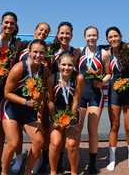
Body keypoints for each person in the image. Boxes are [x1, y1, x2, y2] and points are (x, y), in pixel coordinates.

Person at [0, 11, 27, 174]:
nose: (8, 25)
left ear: (16, 26)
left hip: (6, 91)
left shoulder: (18, 44)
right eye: (6, 22)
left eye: (12, 23)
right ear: (2, 23)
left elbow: (37, 46)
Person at [0, 39, 52, 175]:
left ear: (45, 54)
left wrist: (39, 118)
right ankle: (3, 172)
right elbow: (7, 93)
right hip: (11, 108)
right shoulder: (19, 68)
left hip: (29, 111)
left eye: (41, 53)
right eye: (35, 52)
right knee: (13, 142)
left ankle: (27, 172)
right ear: (29, 52)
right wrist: (25, 102)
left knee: (39, 141)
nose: (38, 55)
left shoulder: (44, 70)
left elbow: (41, 97)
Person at [12, 22, 51, 174]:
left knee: (39, 133)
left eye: (46, 31)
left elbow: (46, 77)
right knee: (15, 135)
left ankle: (37, 159)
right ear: (35, 30)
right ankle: (19, 158)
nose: (43, 32)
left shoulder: (45, 55)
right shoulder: (21, 47)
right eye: (41, 29)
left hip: (35, 99)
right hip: (17, 98)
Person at [78, 26, 111, 174]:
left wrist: (102, 82)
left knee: (92, 130)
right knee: (76, 129)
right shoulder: (78, 52)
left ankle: (92, 163)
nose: (91, 38)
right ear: (84, 37)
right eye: (89, 35)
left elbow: (109, 73)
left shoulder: (103, 53)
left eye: (94, 35)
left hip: (95, 96)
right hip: (80, 95)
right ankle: (74, 158)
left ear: (97, 37)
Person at [48, 52, 83, 175]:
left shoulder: (78, 78)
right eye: (63, 64)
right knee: (56, 142)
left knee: (72, 144)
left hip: (71, 113)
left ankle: (74, 172)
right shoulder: (52, 78)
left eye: (70, 65)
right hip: (56, 113)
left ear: (73, 66)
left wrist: (70, 119)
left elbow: (76, 100)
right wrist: (55, 119)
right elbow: (51, 101)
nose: (66, 68)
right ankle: (53, 171)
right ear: (58, 65)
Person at [105, 26, 129, 171]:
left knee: (128, 127)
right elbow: (108, 73)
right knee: (114, 126)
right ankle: (112, 159)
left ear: (120, 36)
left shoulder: (127, 49)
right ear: (107, 39)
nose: (113, 39)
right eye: (110, 37)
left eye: (116, 36)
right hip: (114, 91)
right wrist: (100, 81)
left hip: (128, 91)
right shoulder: (108, 54)